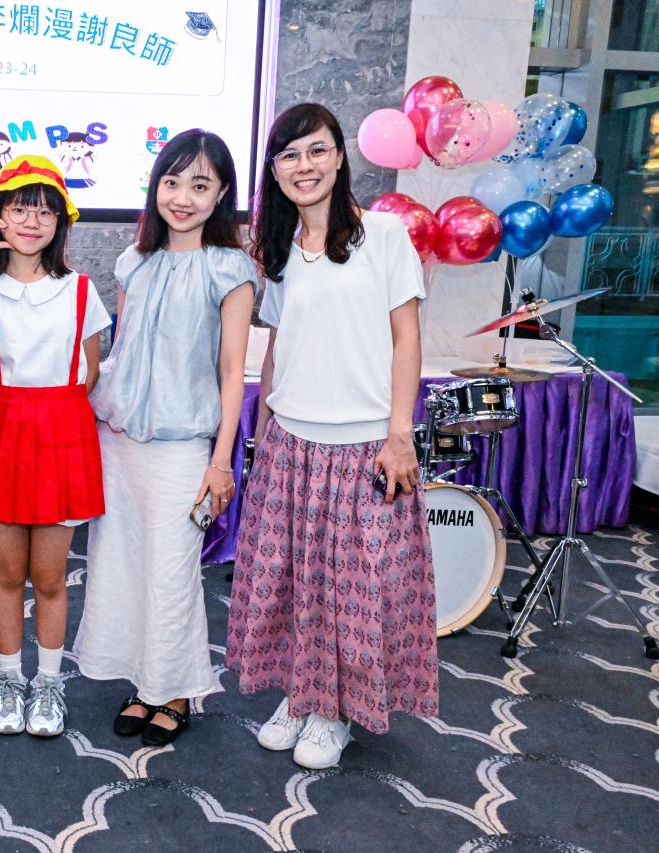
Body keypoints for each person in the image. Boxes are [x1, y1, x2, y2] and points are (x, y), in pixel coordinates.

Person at [226, 103, 438, 769]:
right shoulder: (283, 249)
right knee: (292, 582)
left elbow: (408, 338)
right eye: (289, 155)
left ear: (340, 156)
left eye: (317, 150)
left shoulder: (385, 235)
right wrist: (264, 429)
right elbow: (281, 341)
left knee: (353, 589)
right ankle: (301, 694)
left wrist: (399, 433)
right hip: (292, 441)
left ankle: (335, 711)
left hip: (363, 445)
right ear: (274, 171)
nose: (304, 165)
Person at [75, 129, 254, 746]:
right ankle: (143, 682)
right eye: (172, 182)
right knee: (123, 565)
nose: (182, 197)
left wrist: (222, 461)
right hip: (120, 440)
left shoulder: (230, 268)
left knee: (172, 571)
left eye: (199, 185)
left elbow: (232, 370)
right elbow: (124, 353)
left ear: (221, 194)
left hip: (183, 446)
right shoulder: (135, 261)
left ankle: (174, 690)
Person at [0, 155, 112, 738]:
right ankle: (8, 680)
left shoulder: (81, 291)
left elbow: (89, 373)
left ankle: (47, 683)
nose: (31, 222)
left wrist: (52, 414)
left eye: (44, 212)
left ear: (60, 223)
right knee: (6, 572)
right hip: (3, 429)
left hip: (61, 433)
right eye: (19, 209)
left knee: (50, 575)